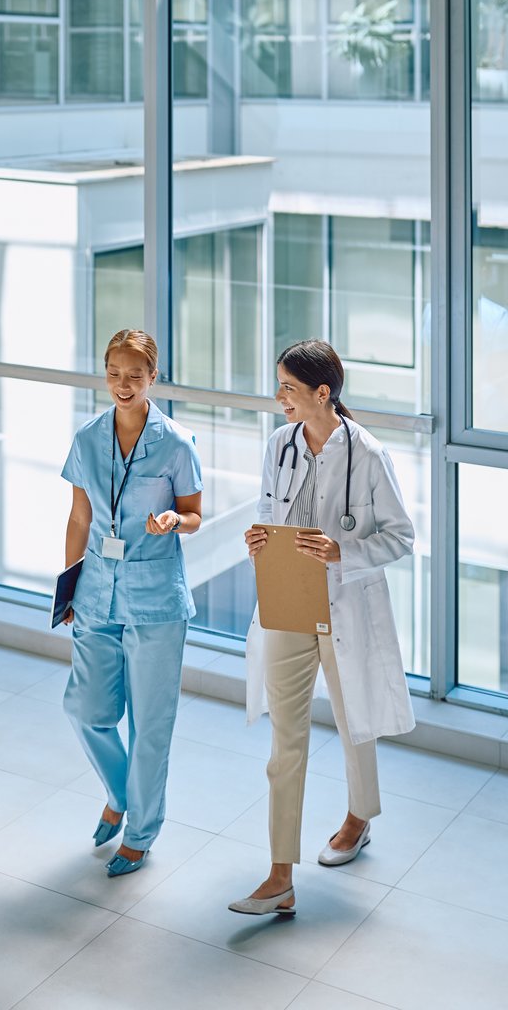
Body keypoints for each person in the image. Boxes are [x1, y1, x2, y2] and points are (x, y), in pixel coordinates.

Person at [228, 339, 415, 915]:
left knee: (354, 717)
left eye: (287, 387)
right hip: (287, 599)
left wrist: (342, 551)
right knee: (287, 739)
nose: (278, 397)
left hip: (345, 602)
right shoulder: (279, 444)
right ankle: (280, 874)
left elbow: (401, 537)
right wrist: (258, 540)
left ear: (321, 393)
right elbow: (267, 510)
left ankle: (359, 818)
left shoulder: (369, 454)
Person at [60, 329, 204, 877]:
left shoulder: (176, 442)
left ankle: (141, 832)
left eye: (135, 375)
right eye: (114, 373)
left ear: (153, 379)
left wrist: (174, 520)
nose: (123, 384)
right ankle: (121, 795)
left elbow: (193, 512)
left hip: (156, 600)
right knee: (86, 709)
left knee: (151, 724)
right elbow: (79, 519)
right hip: (96, 592)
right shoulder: (86, 438)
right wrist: (69, 586)